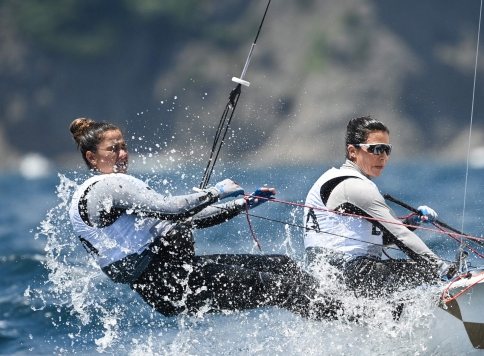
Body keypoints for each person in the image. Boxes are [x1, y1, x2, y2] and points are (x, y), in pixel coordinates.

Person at [68, 118, 340, 319]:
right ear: (92, 157)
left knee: (282, 266)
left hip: (178, 277)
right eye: (112, 149)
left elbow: (188, 219)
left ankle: (340, 305)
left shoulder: (115, 192)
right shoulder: (106, 187)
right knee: (281, 287)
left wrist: (241, 205)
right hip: (172, 284)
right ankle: (350, 317)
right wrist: (216, 191)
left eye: (124, 146)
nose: (122, 154)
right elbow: (174, 210)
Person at [303, 116, 448, 297]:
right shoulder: (353, 186)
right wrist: (444, 269)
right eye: (377, 149)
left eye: (387, 150)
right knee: (429, 273)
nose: (383, 156)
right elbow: (399, 235)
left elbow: (383, 237)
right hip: (352, 275)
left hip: (332, 281)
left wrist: (412, 221)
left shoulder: (337, 179)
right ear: (353, 151)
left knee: (416, 274)